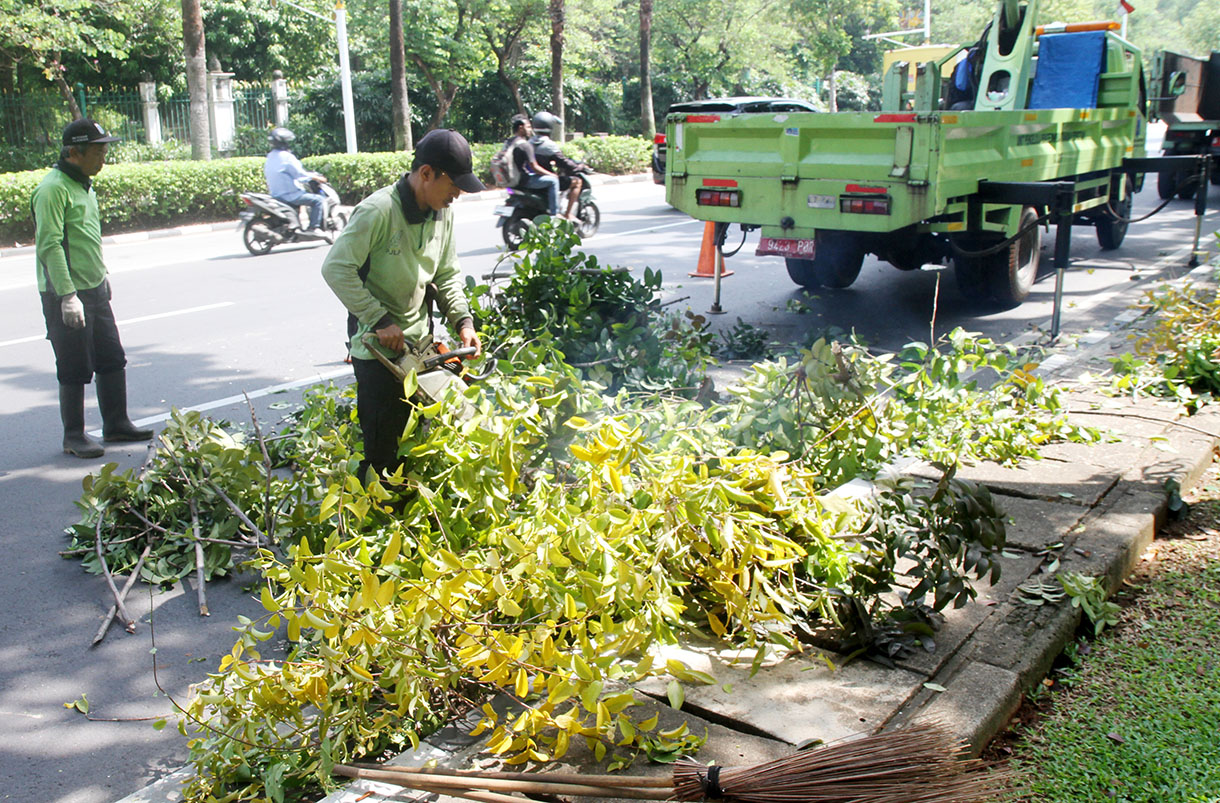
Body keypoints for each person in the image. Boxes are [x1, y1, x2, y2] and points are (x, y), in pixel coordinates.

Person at [321, 129, 486, 481]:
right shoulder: (377, 211)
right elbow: (335, 268)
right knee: (384, 454)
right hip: (377, 352)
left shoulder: (443, 212)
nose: (457, 193)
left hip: (421, 348)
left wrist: (463, 322)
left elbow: (447, 273)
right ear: (426, 173)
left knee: (435, 433)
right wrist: (379, 319)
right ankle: (377, 520)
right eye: (453, 184)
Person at [31, 118, 154, 458]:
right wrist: (68, 296)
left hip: (94, 287)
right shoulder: (52, 189)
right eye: (98, 151)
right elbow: (51, 246)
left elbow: (85, 239)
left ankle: (116, 424)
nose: (103, 158)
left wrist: (102, 275)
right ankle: (73, 435)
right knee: (74, 365)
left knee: (111, 358)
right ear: (74, 152)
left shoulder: (83, 185)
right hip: (67, 292)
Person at [264, 127, 327, 232]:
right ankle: (314, 228)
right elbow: (300, 175)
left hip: (276, 194)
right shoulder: (287, 157)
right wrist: (316, 177)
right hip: (290, 195)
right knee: (318, 200)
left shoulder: (270, 156)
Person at [529, 111, 588, 220]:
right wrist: (578, 167)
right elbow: (563, 162)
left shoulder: (529, 142)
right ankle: (567, 214)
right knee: (577, 182)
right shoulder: (549, 145)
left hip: (530, 178)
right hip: (544, 178)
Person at [505, 114, 563, 218]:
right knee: (553, 181)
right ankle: (555, 214)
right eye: (528, 127)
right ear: (521, 128)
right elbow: (534, 167)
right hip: (523, 181)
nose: (530, 130)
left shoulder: (508, 142)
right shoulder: (525, 145)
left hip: (510, 181)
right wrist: (552, 174)